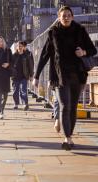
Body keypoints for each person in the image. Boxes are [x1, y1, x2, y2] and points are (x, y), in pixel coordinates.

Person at [33, 6, 97, 150]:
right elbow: (44, 55)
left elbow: (93, 50)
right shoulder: (53, 33)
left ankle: (70, 134)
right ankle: (67, 138)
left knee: (73, 107)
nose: (66, 17)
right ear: (59, 17)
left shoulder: (80, 31)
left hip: (78, 75)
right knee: (64, 106)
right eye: (63, 16)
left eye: (68, 15)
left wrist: (84, 51)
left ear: (72, 17)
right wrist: (36, 76)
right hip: (60, 76)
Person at [11, 41, 34, 111]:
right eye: (18, 46)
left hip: (24, 76)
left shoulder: (26, 55)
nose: (20, 47)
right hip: (15, 76)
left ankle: (25, 104)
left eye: (21, 46)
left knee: (23, 90)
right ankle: (16, 103)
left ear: (23, 47)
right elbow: (10, 66)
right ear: (16, 47)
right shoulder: (14, 56)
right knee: (15, 91)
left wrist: (31, 75)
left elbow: (30, 66)